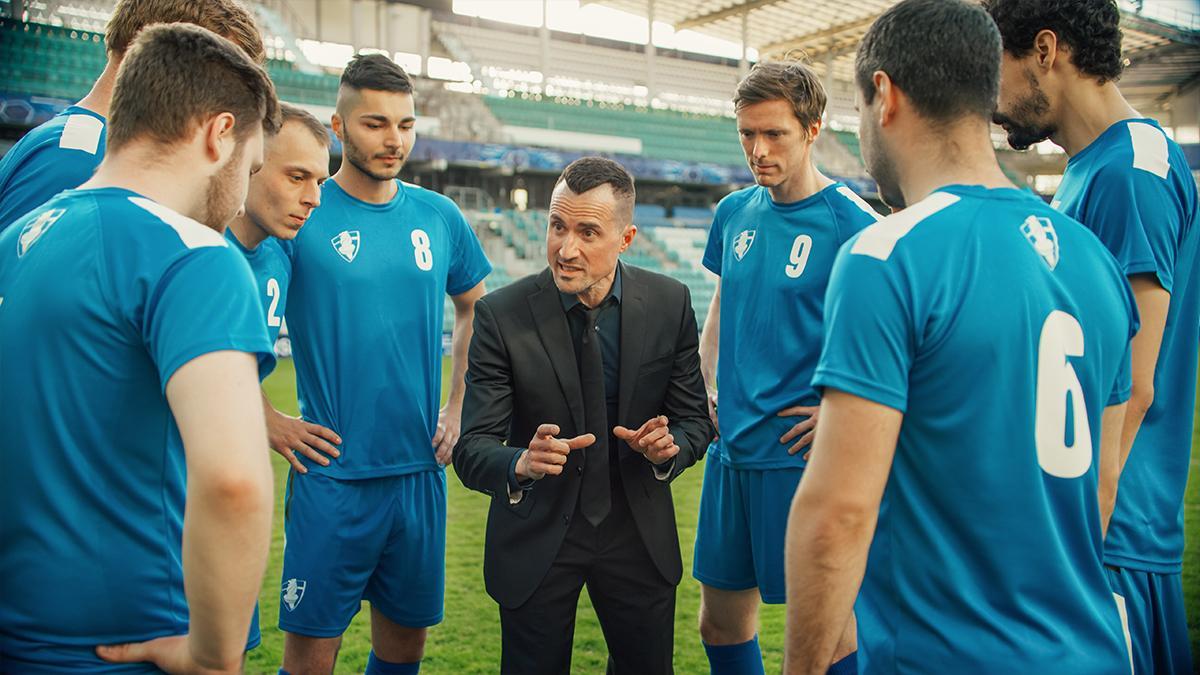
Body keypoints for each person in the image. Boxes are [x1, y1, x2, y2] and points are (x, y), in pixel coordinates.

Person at [783, 1, 1137, 672]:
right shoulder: (1095, 260)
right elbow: (1103, 484)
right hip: (1091, 650)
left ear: (884, 95)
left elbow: (838, 516)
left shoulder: (888, 254)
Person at [0, 23, 280, 673]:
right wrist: (213, 656)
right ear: (218, 134)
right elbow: (234, 481)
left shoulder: (15, 241)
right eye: (251, 167)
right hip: (127, 640)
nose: (243, 195)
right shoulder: (192, 254)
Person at [986, 2, 1199, 671]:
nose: (991, 100)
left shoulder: (1131, 171)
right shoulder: (1093, 167)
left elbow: (1133, 387)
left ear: (1046, 50)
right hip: (1090, 527)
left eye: (996, 69)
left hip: (1107, 537)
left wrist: (1070, 551)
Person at [454, 156, 715, 674]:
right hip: (537, 533)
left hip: (638, 534)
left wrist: (668, 450)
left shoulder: (669, 303)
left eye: (587, 232)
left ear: (626, 238)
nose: (565, 248)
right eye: (557, 226)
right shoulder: (501, 316)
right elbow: (472, 448)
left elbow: (695, 423)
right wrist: (521, 463)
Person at [275, 53, 491, 675]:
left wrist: (458, 405)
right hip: (332, 474)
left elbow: (475, 307)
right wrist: (264, 416)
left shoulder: (439, 216)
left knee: (403, 652)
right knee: (311, 657)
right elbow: (229, 321)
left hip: (419, 471)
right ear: (338, 128)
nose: (394, 139)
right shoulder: (302, 213)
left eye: (405, 124)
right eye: (375, 123)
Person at [693, 60, 879, 675]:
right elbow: (724, 304)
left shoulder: (855, 224)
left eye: (774, 134)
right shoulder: (733, 212)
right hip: (730, 452)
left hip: (800, 459)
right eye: (747, 133)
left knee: (829, 630)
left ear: (813, 129)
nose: (758, 150)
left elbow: (898, 339)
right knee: (719, 622)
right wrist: (701, 384)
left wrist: (840, 413)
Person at [0, 0, 266, 232]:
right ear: (150, 48)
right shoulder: (80, 156)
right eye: (216, 75)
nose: (223, 97)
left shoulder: (93, 144)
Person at [225, 102, 343, 474]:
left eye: (319, 182)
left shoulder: (279, 254)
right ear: (248, 162)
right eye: (297, 177)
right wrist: (267, 419)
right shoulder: (194, 251)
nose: (314, 199)